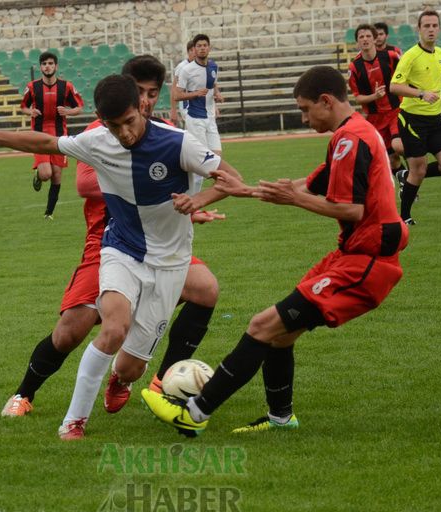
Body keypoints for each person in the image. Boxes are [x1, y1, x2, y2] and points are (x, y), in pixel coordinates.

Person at [141, 65, 409, 436]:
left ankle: (195, 412)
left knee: (262, 326)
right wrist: (246, 190)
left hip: (367, 262)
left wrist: (293, 199)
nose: (302, 117)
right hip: (352, 255)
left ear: (326, 101)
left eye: (304, 109)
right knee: (281, 332)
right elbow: (309, 184)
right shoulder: (352, 134)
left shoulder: (351, 140)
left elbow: (352, 209)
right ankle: (281, 418)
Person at [0, 75, 242, 439]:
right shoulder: (97, 141)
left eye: (129, 122)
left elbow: (232, 179)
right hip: (120, 250)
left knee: (130, 367)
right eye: (114, 126)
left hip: (171, 263)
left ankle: (120, 378)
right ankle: (73, 422)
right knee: (111, 327)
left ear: (142, 108)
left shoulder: (177, 143)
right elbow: (49, 141)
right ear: (101, 119)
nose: (124, 133)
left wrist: (199, 200)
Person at [390, 9, 441, 225]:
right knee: (418, 169)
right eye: (426, 26)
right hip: (412, 120)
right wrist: (420, 93)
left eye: (434, 25)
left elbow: (435, 84)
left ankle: (405, 176)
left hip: (435, 120)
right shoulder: (410, 56)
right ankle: (405, 216)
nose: (431, 29)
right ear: (418, 29)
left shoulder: (439, 53)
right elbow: (394, 86)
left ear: (439, 28)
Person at [20, 51, 84, 219]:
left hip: (59, 136)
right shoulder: (33, 87)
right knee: (46, 174)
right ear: (41, 67)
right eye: (44, 64)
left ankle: (48, 213)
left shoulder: (67, 86)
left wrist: (68, 111)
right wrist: (30, 111)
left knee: (56, 175)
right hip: (39, 135)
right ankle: (38, 176)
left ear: (56, 66)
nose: (47, 66)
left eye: (50, 63)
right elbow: (23, 107)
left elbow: (79, 107)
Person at [348, 24, 405, 175]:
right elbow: (358, 98)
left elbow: (406, 78)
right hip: (375, 118)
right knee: (392, 159)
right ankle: (407, 182)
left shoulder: (391, 57)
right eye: (361, 37)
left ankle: (416, 169)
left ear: (375, 39)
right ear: (357, 42)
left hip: (396, 111)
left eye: (368, 36)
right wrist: (375, 96)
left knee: (399, 146)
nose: (365, 39)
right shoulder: (355, 67)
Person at [174, 34, 224, 156]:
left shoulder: (213, 66)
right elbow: (177, 95)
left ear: (209, 48)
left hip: (210, 117)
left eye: (205, 45)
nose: (202, 48)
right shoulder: (186, 70)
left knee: (217, 156)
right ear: (194, 49)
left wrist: (217, 94)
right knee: (201, 157)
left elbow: (213, 84)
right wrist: (196, 93)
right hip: (195, 118)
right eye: (199, 46)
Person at [170, 41, 195, 128]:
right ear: (188, 52)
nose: (194, 52)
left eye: (196, 49)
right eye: (192, 50)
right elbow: (174, 89)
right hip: (186, 106)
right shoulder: (181, 67)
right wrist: (173, 110)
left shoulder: (202, 66)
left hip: (201, 106)